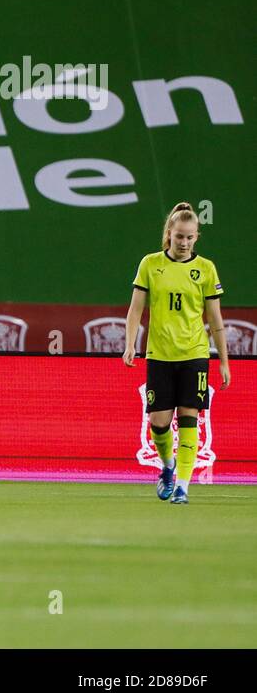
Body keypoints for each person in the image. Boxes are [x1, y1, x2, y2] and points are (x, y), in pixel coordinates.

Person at [123, 202, 231, 504]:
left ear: (196, 237)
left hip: (194, 354)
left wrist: (223, 361)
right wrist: (130, 344)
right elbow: (135, 310)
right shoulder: (150, 264)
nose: (183, 243)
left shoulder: (205, 269)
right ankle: (168, 467)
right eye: (179, 236)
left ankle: (183, 486)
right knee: (159, 421)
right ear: (168, 234)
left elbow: (216, 321)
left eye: (189, 237)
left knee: (189, 417)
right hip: (159, 354)